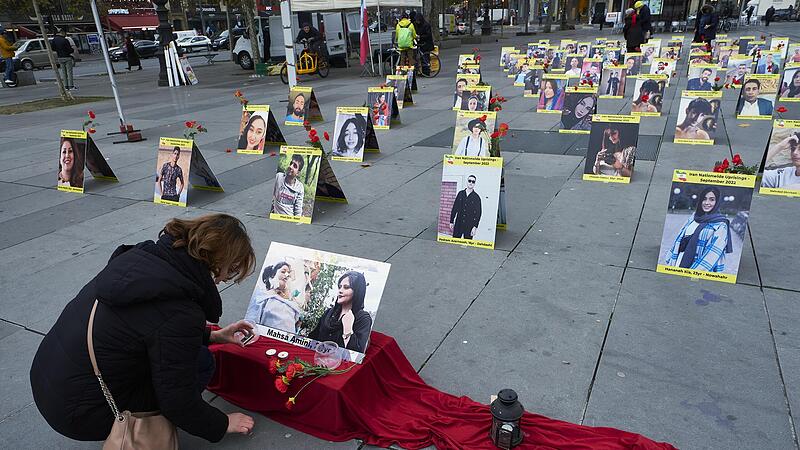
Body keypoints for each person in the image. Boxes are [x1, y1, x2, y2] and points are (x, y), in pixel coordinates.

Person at [30, 214, 258, 443]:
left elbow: (148, 325)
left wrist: (213, 335)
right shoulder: (180, 310)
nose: (228, 277)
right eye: (233, 268)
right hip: (80, 414)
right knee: (201, 362)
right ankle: (143, 428)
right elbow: (177, 401)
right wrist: (222, 423)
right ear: (217, 260)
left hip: (47, 383)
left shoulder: (141, 260)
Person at [664, 186, 732, 272]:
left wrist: (693, 272)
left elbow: (712, 254)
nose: (707, 203)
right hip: (679, 261)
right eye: (704, 199)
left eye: (712, 199)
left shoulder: (721, 224)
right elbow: (679, 238)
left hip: (699, 268)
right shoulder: (694, 217)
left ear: (717, 202)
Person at [309, 271, 372, 354]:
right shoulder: (329, 313)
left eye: (346, 287)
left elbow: (357, 353)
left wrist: (348, 329)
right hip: (318, 358)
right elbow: (313, 338)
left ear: (357, 291)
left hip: (342, 364)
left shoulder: (363, 318)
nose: (340, 291)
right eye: (340, 287)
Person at [245, 261, 306, 333]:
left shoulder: (293, 305)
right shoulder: (261, 297)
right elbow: (250, 324)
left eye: (289, 273)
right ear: (272, 276)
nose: (287, 275)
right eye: (283, 272)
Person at [449, 175, 482, 239]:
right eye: (469, 181)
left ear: (475, 183)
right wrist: (451, 221)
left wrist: (475, 227)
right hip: (459, 223)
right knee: (455, 242)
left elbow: (478, 213)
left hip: (469, 225)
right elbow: (454, 208)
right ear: (467, 182)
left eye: (473, 182)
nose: (471, 183)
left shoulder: (477, 197)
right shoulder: (460, 194)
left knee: (467, 244)